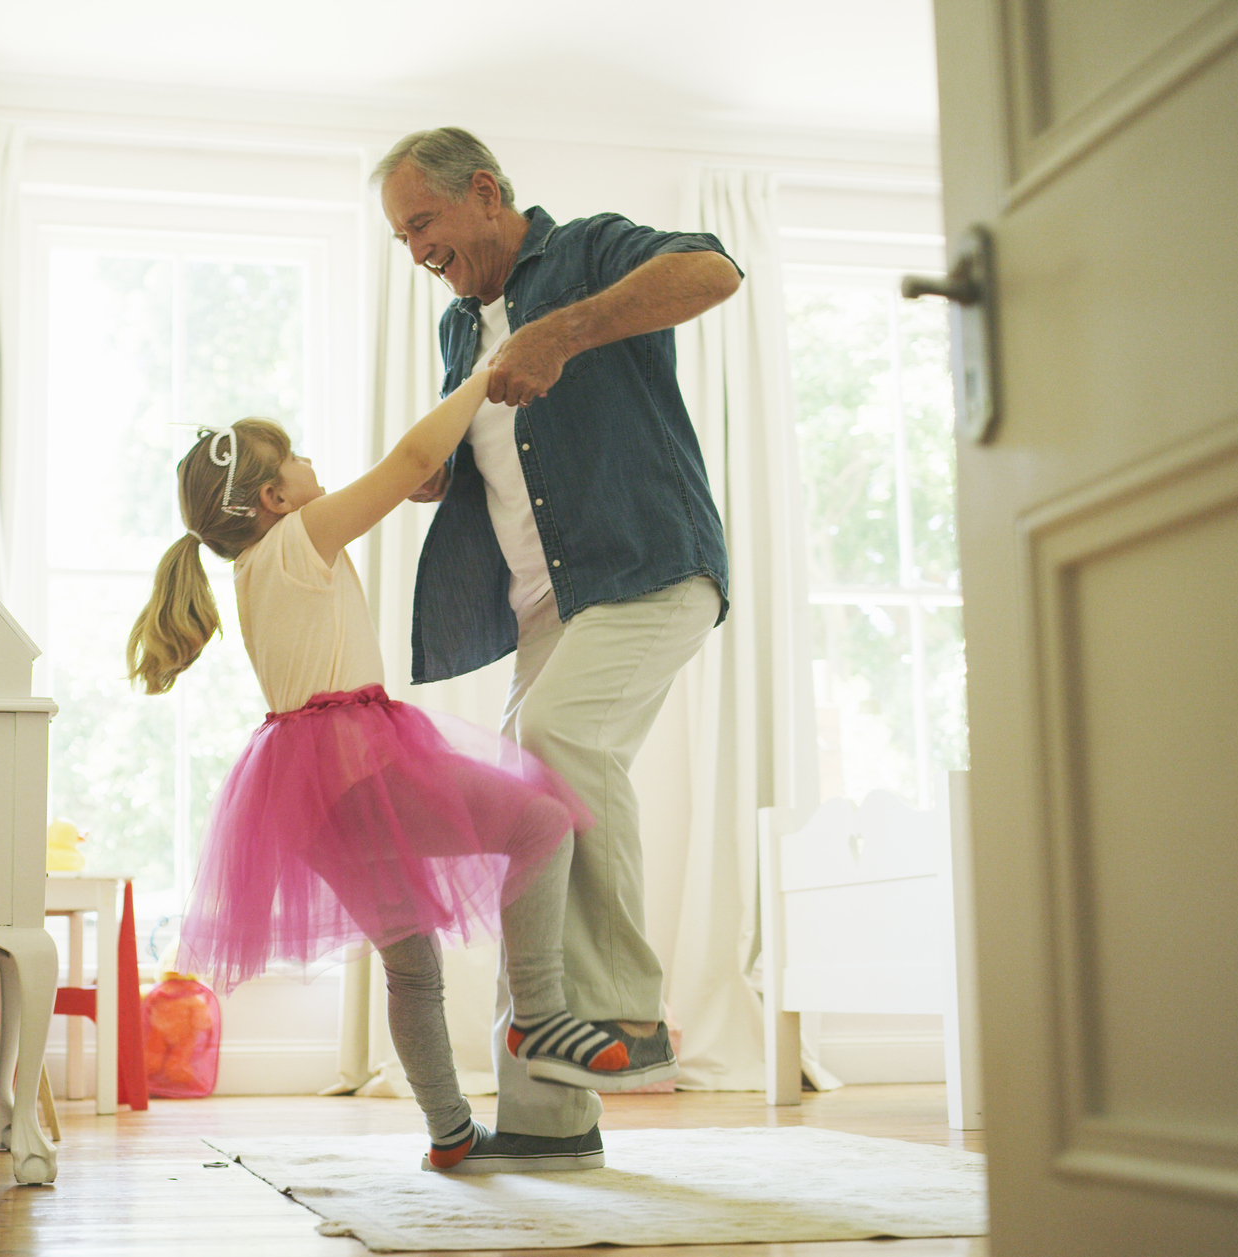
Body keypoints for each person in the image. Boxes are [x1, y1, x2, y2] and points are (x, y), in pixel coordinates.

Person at [127, 382, 662, 1173]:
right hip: (356, 760)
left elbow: (408, 475)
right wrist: (483, 379)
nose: (313, 462)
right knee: (542, 819)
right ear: (275, 496)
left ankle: (450, 1134)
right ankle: (541, 1015)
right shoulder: (302, 533)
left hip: (307, 797)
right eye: (298, 456)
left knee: (412, 968)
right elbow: (410, 457)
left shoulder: (252, 567)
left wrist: (421, 479)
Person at [373, 127, 744, 1172]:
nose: (413, 251)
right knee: (521, 822)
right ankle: (545, 1121)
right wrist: (437, 476)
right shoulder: (457, 329)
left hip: (645, 569)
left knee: (557, 738)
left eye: (422, 226)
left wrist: (564, 332)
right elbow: (501, 457)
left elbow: (711, 268)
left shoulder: (583, 252)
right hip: (542, 610)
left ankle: (625, 1014)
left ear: (483, 193)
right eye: (400, 236)